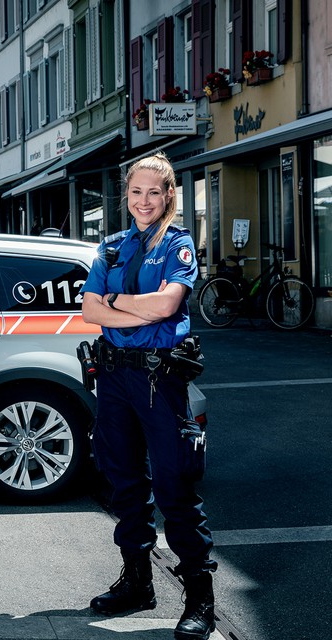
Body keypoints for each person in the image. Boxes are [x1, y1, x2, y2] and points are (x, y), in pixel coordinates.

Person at [80, 152, 215, 640]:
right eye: (135, 192)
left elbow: (169, 303)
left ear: (168, 196)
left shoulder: (178, 244)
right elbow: (89, 311)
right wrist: (135, 309)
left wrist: (116, 303)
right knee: (124, 484)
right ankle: (138, 583)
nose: (143, 200)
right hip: (115, 379)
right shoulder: (112, 247)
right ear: (126, 196)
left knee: (176, 485)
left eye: (153, 192)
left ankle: (200, 597)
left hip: (161, 380)